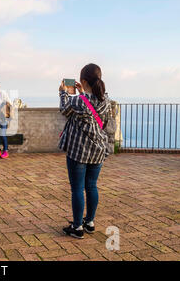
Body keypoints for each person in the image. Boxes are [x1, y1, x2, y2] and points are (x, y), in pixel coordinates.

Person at [59, 63, 111, 239]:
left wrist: (63, 92)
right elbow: (92, 109)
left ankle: (77, 227)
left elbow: (65, 110)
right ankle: (89, 222)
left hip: (78, 151)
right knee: (91, 186)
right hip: (98, 150)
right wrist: (82, 92)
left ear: (82, 80)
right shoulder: (106, 100)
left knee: (77, 189)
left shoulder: (77, 101)